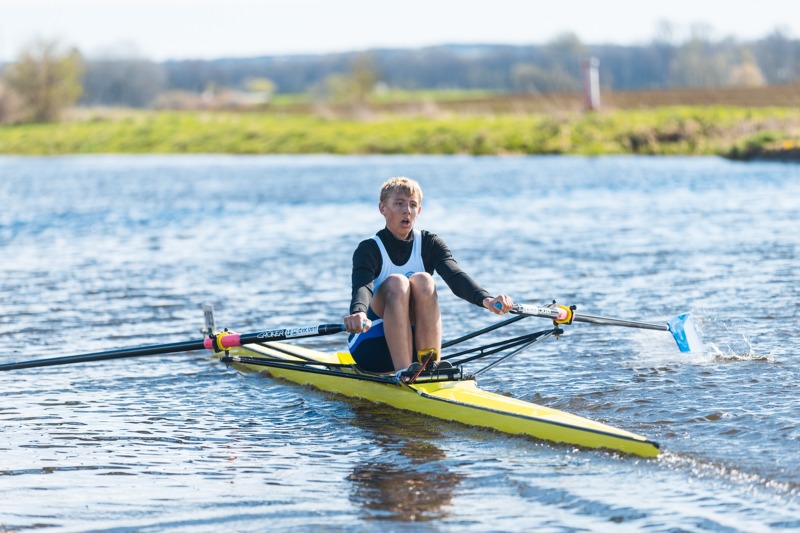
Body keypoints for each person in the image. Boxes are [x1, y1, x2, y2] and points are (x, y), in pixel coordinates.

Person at [344, 177, 514, 374]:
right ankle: (405, 372)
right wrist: (358, 312)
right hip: (371, 345)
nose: (407, 210)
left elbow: (455, 276)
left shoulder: (430, 243)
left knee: (424, 280)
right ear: (383, 208)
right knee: (398, 283)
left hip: (414, 342)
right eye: (399, 203)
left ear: (419, 210)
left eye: (412, 205)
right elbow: (362, 286)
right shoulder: (368, 249)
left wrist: (488, 300)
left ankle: (430, 366)